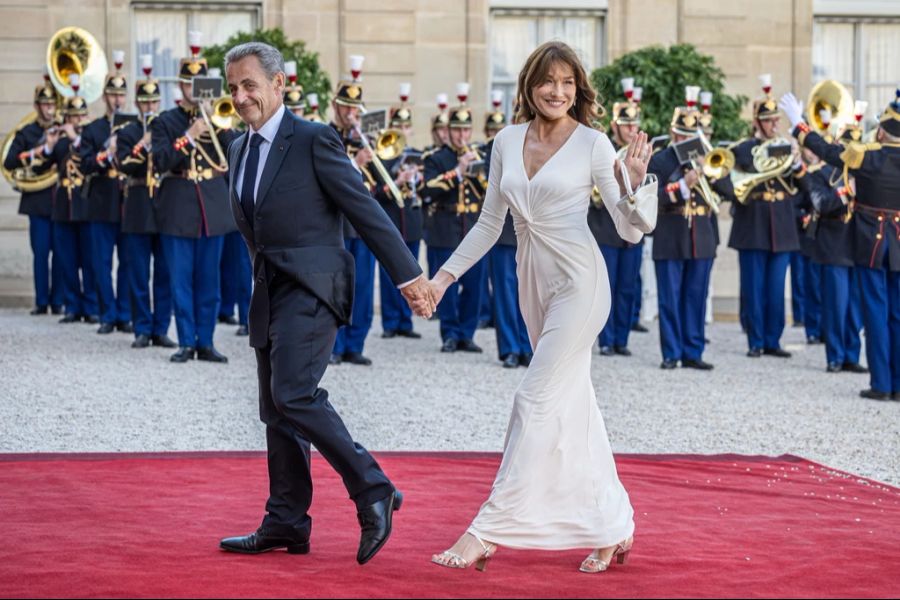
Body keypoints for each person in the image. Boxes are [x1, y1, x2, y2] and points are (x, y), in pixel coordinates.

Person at [427, 41, 655, 573]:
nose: (558, 91)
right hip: (534, 280)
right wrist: (442, 279)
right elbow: (489, 224)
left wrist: (634, 185)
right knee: (574, 404)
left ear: (578, 90)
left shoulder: (595, 144)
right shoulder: (506, 140)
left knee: (533, 398)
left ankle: (485, 532)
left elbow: (626, 229)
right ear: (530, 85)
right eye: (548, 81)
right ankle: (613, 526)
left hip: (581, 281)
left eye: (568, 83)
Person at [219, 42, 435, 564]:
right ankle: (287, 521)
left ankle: (373, 488)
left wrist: (409, 277)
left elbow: (364, 210)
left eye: (250, 85)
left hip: (314, 286)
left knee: (293, 393)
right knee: (276, 409)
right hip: (269, 288)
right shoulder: (238, 149)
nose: (241, 96)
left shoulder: (315, 139)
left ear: (279, 85)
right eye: (233, 88)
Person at [780, 88, 900, 400]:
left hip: (871, 241)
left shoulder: (868, 155)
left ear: (884, 129)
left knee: (875, 312)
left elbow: (829, 151)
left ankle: (882, 385)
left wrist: (799, 125)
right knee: (897, 315)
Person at [150, 33, 238, 363]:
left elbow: (233, 154)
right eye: (189, 84)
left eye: (199, 85)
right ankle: (186, 341)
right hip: (178, 205)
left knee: (209, 281)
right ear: (182, 86)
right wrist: (188, 136)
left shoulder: (218, 118)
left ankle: (206, 341)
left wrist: (220, 124)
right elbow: (160, 161)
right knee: (181, 280)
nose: (193, 90)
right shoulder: (166, 121)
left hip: (211, 208)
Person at [647, 92, 733, 370]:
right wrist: (682, 186)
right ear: (673, 132)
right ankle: (671, 353)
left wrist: (710, 173)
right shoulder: (661, 161)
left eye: (691, 135)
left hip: (701, 234)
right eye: (682, 135)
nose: (686, 141)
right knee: (670, 297)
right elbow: (650, 197)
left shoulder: (705, 158)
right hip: (671, 233)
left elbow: (730, 190)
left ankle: (693, 350)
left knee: (696, 295)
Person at [729, 75, 807, 358]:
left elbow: (804, 188)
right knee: (754, 287)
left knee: (776, 289)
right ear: (758, 122)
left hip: (782, 224)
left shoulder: (788, 147)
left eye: (777, 119)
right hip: (754, 224)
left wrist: (797, 163)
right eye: (769, 120)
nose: (775, 124)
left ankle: (773, 339)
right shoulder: (744, 148)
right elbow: (743, 171)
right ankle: (756, 340)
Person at [115, 65, 176, 349]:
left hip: (164, 201)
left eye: (154, 101)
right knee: (138, 271)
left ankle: (160, 327)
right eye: (145, 101)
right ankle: (141, 327)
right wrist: (143, 143)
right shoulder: (128, 131)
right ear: (137, 102)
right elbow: (125, 164)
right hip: (138, 201)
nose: (150, 106)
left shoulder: (167, 127)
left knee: (164, 271)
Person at [424, 95, 489, 353]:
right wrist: (458, 172)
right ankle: (449, 333)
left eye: (465, 130)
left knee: (475, 285)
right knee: (447, 287)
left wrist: (476, 168)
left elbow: (490, 190)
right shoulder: (436, 158)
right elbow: (427, 190)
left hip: (472, 227)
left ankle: (467, 333)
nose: (461, 135)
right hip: (444, 228)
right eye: (456, 130)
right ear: (448, 131)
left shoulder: (479, 156)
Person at [328, 60, 379, 366]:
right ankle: (334, 344)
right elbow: (331, 178)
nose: (351, 114)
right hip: (338, 224)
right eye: (346, 107)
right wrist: (356, 163)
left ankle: (355, 344)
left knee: (362, 286)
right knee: (337, 287)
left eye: (355, 108)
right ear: (335, 106)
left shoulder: (366, 139)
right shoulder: (326, 136)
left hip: (363, 224)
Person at [590, 83, 644, 357]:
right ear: (615, 126)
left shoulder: (642, 154)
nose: (630, 130)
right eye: (625, 125)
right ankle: (606, 339)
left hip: (631, 231)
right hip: (605, 230)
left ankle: (621, 338)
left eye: (634, 124)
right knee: (607, 287)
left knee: (627, 286)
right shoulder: (605, 150)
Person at [79, 57, 132, 334]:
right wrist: (105, 152)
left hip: (126, 199)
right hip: (101, 198)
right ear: (105, 96)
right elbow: (84, 163)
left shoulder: (133, 127)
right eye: (112, 95)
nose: (117, 100)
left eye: (121, 95)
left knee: (127, 260)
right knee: (100, 261)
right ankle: (107, 313)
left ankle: (123, 312)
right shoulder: (94, 129)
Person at [4, 77, 64, 315]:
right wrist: (41, 150)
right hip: (36, 202)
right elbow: (10, 162)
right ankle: (41, 301)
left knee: (60, 253)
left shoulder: (62, 128)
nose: (49, 108)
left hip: (59, 201)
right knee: (40, 253)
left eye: (52, 104)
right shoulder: (27, 133)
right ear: (37, 106)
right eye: (45, 104)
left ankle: (58, 300)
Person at [483, 98, 532, 368]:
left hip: (532, 231)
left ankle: (527, 345)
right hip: (504, 230)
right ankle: (510, 348)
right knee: (505, 290)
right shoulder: (501, 146)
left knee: (530, 292)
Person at [44, 91, 99, 324]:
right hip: (63, 206)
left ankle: (91, 306)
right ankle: (72, 305)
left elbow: (90, 159)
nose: (77, 121)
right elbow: (45, 164)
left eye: (81, 116)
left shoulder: (89, 138)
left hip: (84, 203)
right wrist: (49, 145)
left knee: (90, 260)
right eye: (72, 116)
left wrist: (75, 138)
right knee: (66, 259)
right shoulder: (61, 141)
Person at [375, 90, 425, 340]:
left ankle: (406, 321)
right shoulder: (383, 156)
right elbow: (375, 193)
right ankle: (390, 322)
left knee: (411, 272)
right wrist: (397, 180)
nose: (403, 130)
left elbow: (425, 191)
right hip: (391, 223)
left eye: (406, 126)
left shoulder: (417, 155)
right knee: (388, 276)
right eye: (398, 125)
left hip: (412, 223)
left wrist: (418, 179)